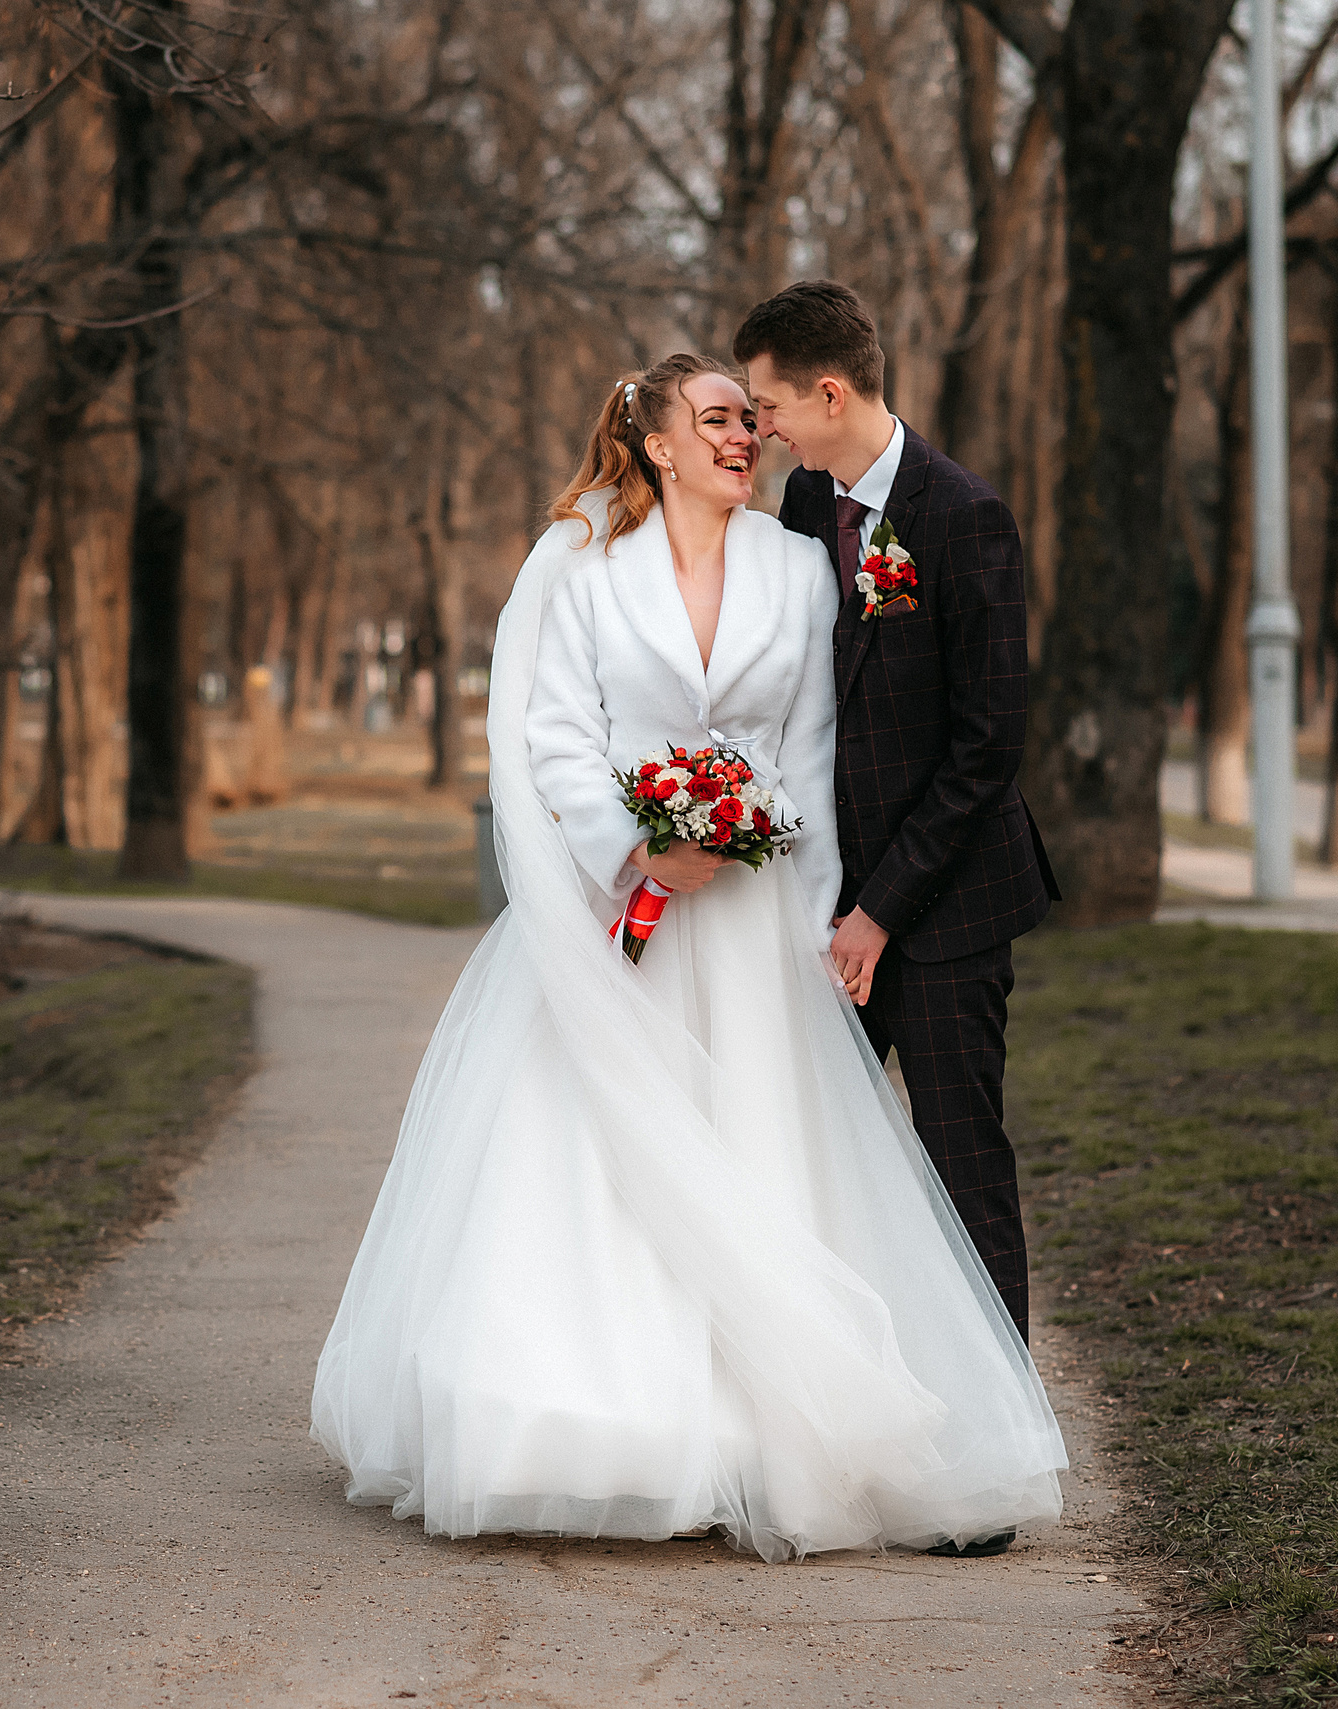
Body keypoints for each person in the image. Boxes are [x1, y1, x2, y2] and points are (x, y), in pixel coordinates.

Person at [309, 352, 1067, 1562]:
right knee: (599, 1167)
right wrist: (635, 852)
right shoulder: (584, 565)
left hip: (760, 924)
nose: (743, 436)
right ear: (656, 442)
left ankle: (767, 1438)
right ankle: (605, 1425)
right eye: (717, 419)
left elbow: (809, 749)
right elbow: (555, 737)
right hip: (628, 919)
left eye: (747, 419)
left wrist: (826, 913)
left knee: (763, 1158)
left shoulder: (792, 561)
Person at [733, 280, 1059, 1373]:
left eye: (769, 406)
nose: (759, 426)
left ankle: (994, 1438)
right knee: (802, 1151)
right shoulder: (803, 508)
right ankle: (832, 1401)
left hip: (948, 909)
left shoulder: (963, 517)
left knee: (960, 1162)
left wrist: (880, 909)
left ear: (830, 392)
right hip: (830, 909)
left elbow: (986, 746)